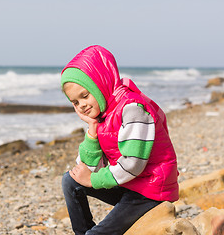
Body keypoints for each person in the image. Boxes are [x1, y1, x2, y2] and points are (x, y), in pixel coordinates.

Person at [61, 45, 179, 235]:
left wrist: (93, 180)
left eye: (85, 96)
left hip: (151, 190)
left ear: (99, 84)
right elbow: (83, 167)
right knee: (70, 181)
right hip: (129, 183)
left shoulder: (132, 108)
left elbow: (133, 164)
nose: (82, 105)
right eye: (75, 102)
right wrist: (92, 130)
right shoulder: (104, 113)